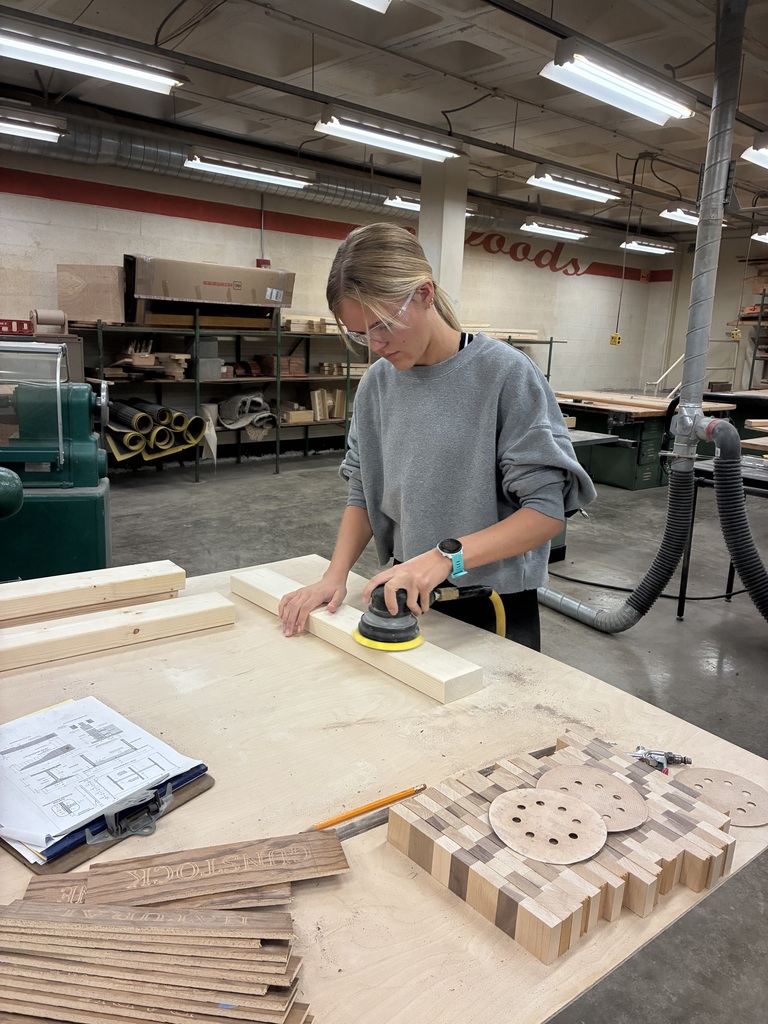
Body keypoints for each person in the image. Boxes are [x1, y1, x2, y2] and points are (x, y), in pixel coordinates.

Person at [278, 222, 596, 651]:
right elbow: (365, 492)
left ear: (424, 294)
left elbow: (545, 514)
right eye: (360, 333)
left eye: (384, 324)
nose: (375, 344)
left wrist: (446, 557)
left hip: (493, 604)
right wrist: (333, 577)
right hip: (406, 596)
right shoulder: (377, 384)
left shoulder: (504, 375)